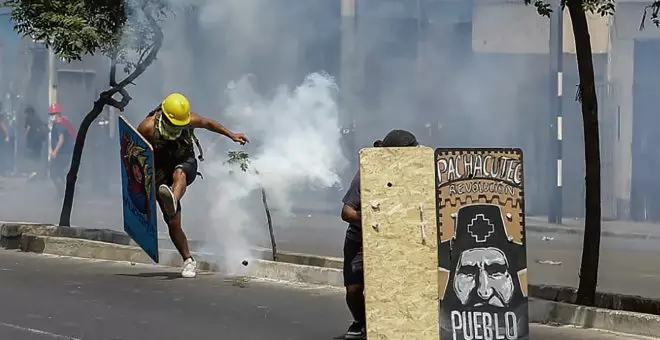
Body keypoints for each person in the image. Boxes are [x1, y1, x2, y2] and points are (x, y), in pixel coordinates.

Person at [136, 93, 249, 278]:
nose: (176, 129)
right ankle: (189, 260)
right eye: (173, 126)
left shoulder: (189, 120)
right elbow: (136, 152)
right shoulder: (147, 127)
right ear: (164, 117)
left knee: (179, 173)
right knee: (173, 222)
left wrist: (232, 135)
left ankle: (172, 197)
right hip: (159, 171)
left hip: (184, 161)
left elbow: (209, 124)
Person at [340, 129, 420, 340]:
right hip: (361, 238)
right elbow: (347, 212)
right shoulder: (368, 172)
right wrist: (378, 221)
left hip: (396, 240)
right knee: (354, 289)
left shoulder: (418, 173)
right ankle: (360, 322)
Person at [48, 102, 76, 197]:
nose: (52, 116)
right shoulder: (63, 122)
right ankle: (66, 191)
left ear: (58, 114)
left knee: (54, 173)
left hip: (62, 153)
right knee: (60, 173)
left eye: (53, 114)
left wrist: (55, 152)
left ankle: (64, 193)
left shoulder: (59, 124)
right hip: (65, 152)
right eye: (51, 114)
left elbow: (61, 139)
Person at [24, 107, 48, 179]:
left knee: (31, 156)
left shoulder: (28, 118)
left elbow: (28, 128)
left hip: (32, 140)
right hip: (39, 140)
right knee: (38, 156)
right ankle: (40, 173)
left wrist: (24, 137)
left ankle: (33, 172)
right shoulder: (37, 119)